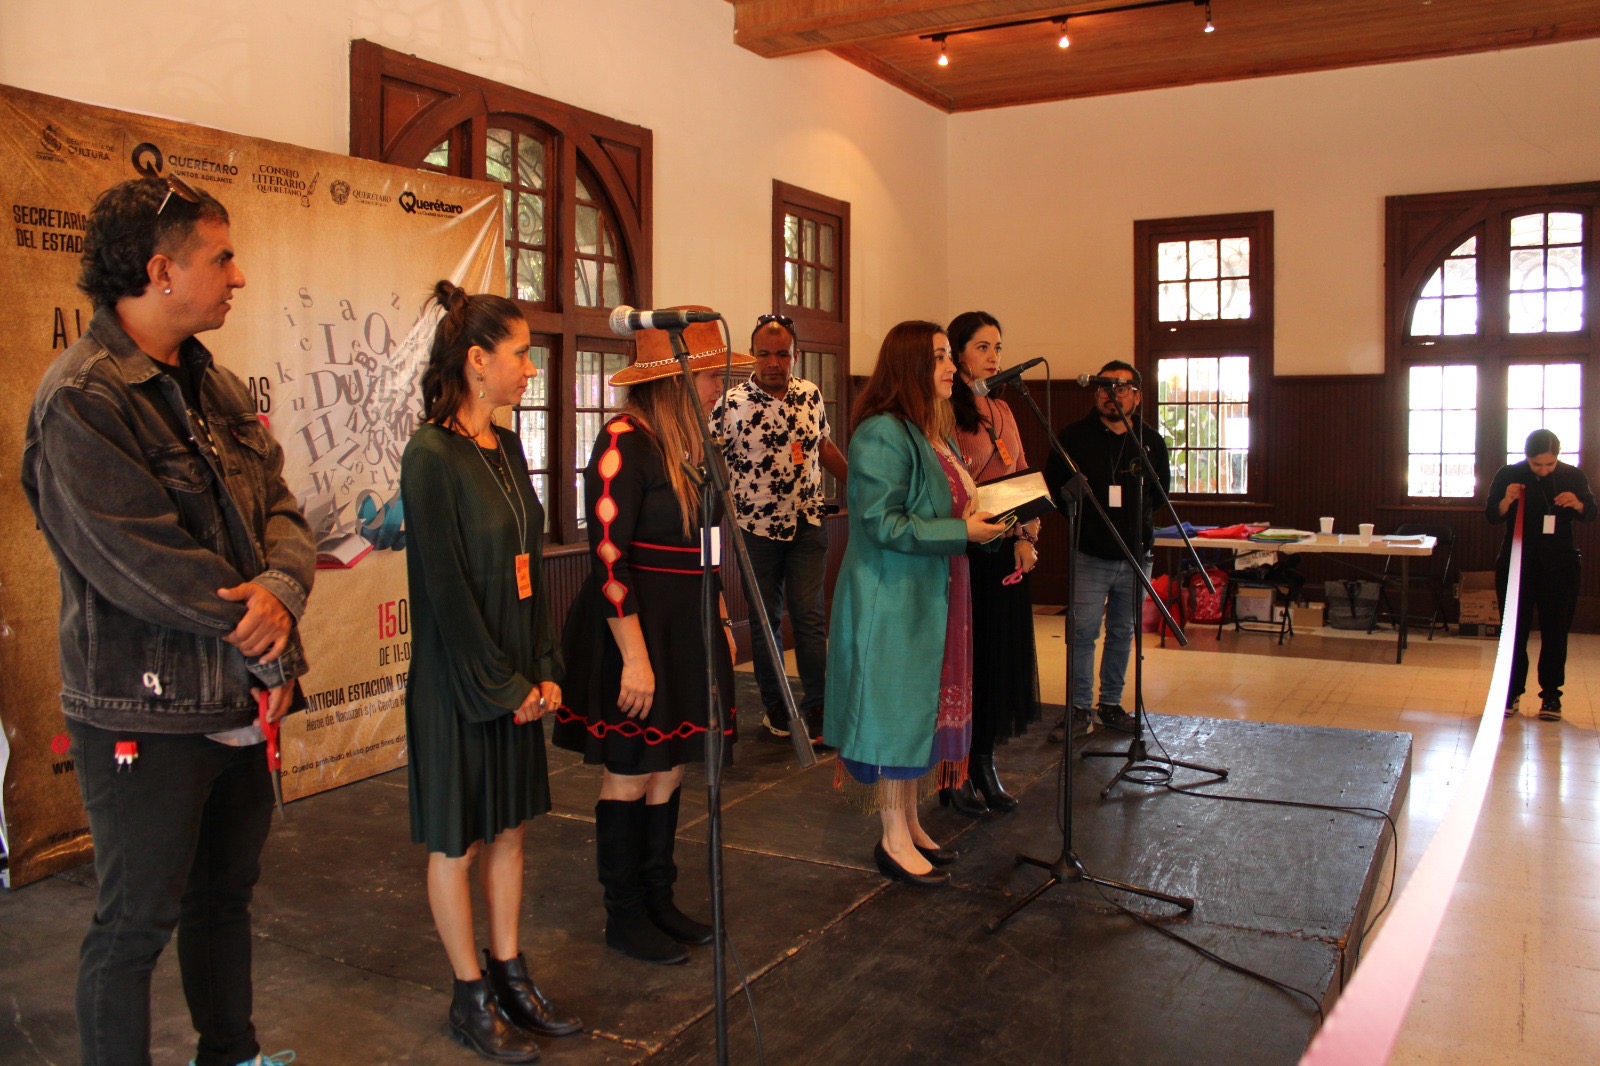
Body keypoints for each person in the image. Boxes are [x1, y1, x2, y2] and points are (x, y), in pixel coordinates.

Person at [21, 175, 312, 1066]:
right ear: (161, 271)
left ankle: (232, 1054)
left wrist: (281, 590)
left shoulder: (214, 385)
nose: (238, 276)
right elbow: (137, 559)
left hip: (237, 695)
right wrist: (261, 627)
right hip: (143, 713)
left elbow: (282, 509)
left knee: (224, 900)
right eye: (222, 258)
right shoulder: (82, 398)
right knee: (134, 923)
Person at [400, 281, 580, 1063]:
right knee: (459, 844)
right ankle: (469, 995)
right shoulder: (429, 456)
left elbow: (527, 568)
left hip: (515, 680)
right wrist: (505, 688)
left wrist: (543, 668)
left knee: (508, 830)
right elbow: (445, 594)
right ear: (477, 361)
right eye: (521, 354)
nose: (531, 368)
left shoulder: (506, 448)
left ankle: (510, 975)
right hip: (459, 686)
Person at [553, 316, 750, 964]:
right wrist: (634, 660)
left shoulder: (693, 447)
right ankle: (625, 914)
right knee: (632, 770)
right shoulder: (622, 443)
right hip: (633, 633)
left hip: (685, 629)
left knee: (668, 767)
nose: (720, 388)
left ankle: (659, 897)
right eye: (713, 376)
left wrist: (718, 616)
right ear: (676, 380)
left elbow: (708, 544)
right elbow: (609, 560)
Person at [824, 320, 1007, 885]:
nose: (952, 367)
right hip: (891, 598)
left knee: (916, 713)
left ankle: (908, 820)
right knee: (895, 713)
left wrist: (992, 520)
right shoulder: (882, 432)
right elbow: (881, 523)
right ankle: (892, 837)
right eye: (940, 357)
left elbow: (945, 503)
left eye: (950, 355)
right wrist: (963, 532)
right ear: (909, 366)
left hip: (930, 589)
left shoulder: (931, 429)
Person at [710, 313, 848, 745]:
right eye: (764, 354)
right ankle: (777, 709)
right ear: (752, 356)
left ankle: (819, 708)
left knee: (809, 617)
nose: (773, 362)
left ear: (795, 355)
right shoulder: (730, 404)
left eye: (782, 354)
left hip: (808, 524)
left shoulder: (810, 394)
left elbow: (824, 445)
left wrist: (862, 485)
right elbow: (710, 463)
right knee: (765, 621)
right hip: (755, 530)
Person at [945, 311, 1042, 816]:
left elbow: (1021, 475)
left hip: (1004, 547)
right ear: (957, 352)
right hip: (964, 549)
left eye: (998, 347)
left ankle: (984, 759)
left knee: (999, 658)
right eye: (982, 347)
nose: (993, 357)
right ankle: (954, 766)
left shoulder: (1003, 408)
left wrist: (1026, 537)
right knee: (968, 659)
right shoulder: (944, 409)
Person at [1043, 360, 1171, 742]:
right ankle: (1079, 709)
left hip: (1135, 556)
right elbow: (1055, 488)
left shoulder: (1150, 441)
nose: (1112, 395)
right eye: (1104, 387)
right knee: (1082, 632)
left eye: (1121, 388)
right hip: (1090, 554)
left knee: (1122, 632)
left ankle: (1110, 704)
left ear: (1138, 396)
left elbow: (1159, 495)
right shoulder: (1074, 437)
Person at [1487, 428, 1596, 722]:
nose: (1544, 470)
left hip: (1560, 567)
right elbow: (1491, 515)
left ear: (1557, 458)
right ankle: (1511, 692)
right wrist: (1507, 500)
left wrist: (1578, 503)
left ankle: (1551, 695)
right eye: (1537, 464)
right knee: (1513, 632)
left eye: (1550, 464)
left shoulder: (1573, 476)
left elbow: (1591, 513)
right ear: (1527, 457)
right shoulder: (1509, 474)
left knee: (1555, 632)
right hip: (1517, 563)